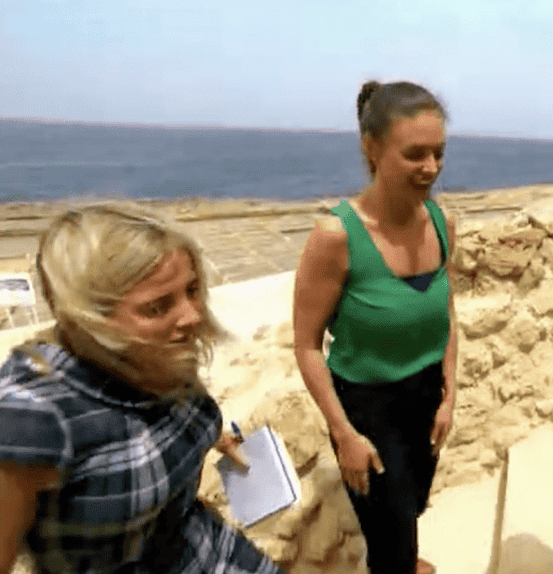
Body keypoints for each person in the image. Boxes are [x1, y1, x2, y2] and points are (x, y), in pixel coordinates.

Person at [0, 205, 281, 574]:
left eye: (192, 290)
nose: (192, 315)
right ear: (86, 318)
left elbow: (144, 430)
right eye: (157, 307)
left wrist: (201, 437)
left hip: (216, 553)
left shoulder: (152, 355)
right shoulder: (35, 418)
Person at [293, 80, 456, 574]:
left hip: (425, 394)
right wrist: (344, 433)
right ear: (371, 147)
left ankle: (406, 560)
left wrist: (450, 393)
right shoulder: (336, 236)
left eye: (439, 153)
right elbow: (305, 346)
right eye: (415, 154)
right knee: (388, 535)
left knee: (411, 505)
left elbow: (446, 315)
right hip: (368, 406)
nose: (431, 167)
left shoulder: (441, 221)